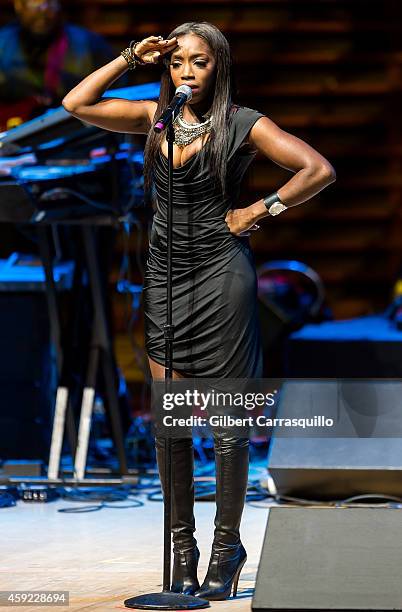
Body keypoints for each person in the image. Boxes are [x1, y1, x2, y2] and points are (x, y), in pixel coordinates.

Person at [61, 21, 336, 600]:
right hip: (163, 277)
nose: (186, 71)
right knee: (171, 426)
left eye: (200, 62)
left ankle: (226, 547)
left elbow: (317, 170)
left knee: (227, 425)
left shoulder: (242, 123)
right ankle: (181, 550)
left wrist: (258, 211)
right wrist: (133, 56)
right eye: (178, 61)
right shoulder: (153, 119)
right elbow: (75, 102)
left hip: (221, 275)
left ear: (219, 67)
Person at [0, 0, 119, 130]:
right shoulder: (3, 44)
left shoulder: (89, 43)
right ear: (19, 6)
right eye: (35, 3)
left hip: (79, 131)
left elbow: (117, 92)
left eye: (50, 2)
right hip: (14, 131)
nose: (44, 10)